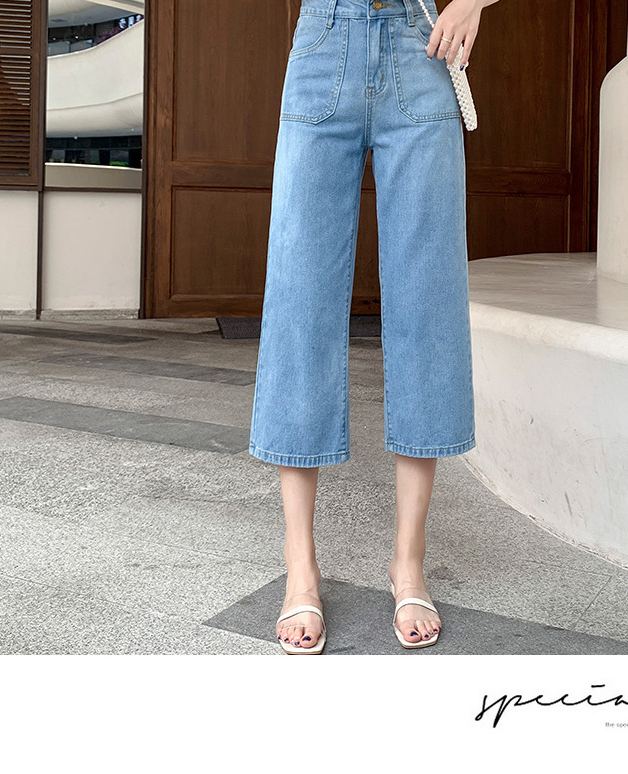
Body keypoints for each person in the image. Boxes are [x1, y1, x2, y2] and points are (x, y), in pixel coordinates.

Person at [249, 0, 501, 654]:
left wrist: (472, 1)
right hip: (322, 41)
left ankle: (408, 562)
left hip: (421, 48)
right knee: (299, 304)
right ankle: (300, 565)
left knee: (428, 301)